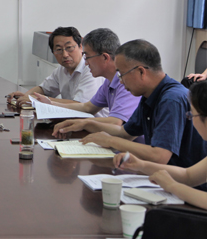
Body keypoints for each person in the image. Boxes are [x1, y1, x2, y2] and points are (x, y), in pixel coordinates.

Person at [54, 39, 207, 169]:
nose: (120, 81)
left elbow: (159, 156)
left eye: (121, 74)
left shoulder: (171, 99)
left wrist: (110, 140)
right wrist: (86, 123)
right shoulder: (149, 94)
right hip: (163, 176)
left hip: (187, 185)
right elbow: (125, 133)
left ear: (141, 71)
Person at [115, 80, 207, 205]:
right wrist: (141, 165)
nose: (192, 121)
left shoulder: (171, 98)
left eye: (192, 115)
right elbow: (188, 175)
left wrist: (172, 186)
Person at [33, 28, 139, 125]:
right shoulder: (108, 82)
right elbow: (87, 107)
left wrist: (81, 123)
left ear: (105, 57)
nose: (86, 62)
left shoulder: (126, 82)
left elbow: (116, 122)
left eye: (87, 57)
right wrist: (51, 104)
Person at [7, 26, 104, 107]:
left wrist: (36, 99)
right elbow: (44, 89)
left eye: (69, 48)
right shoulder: (61, 70)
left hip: (95, 122)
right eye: (59, 50)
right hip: (73, 119)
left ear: (81, 46)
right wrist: (24, 96)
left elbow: (80, 104)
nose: (65, 55)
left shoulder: (91, 69)